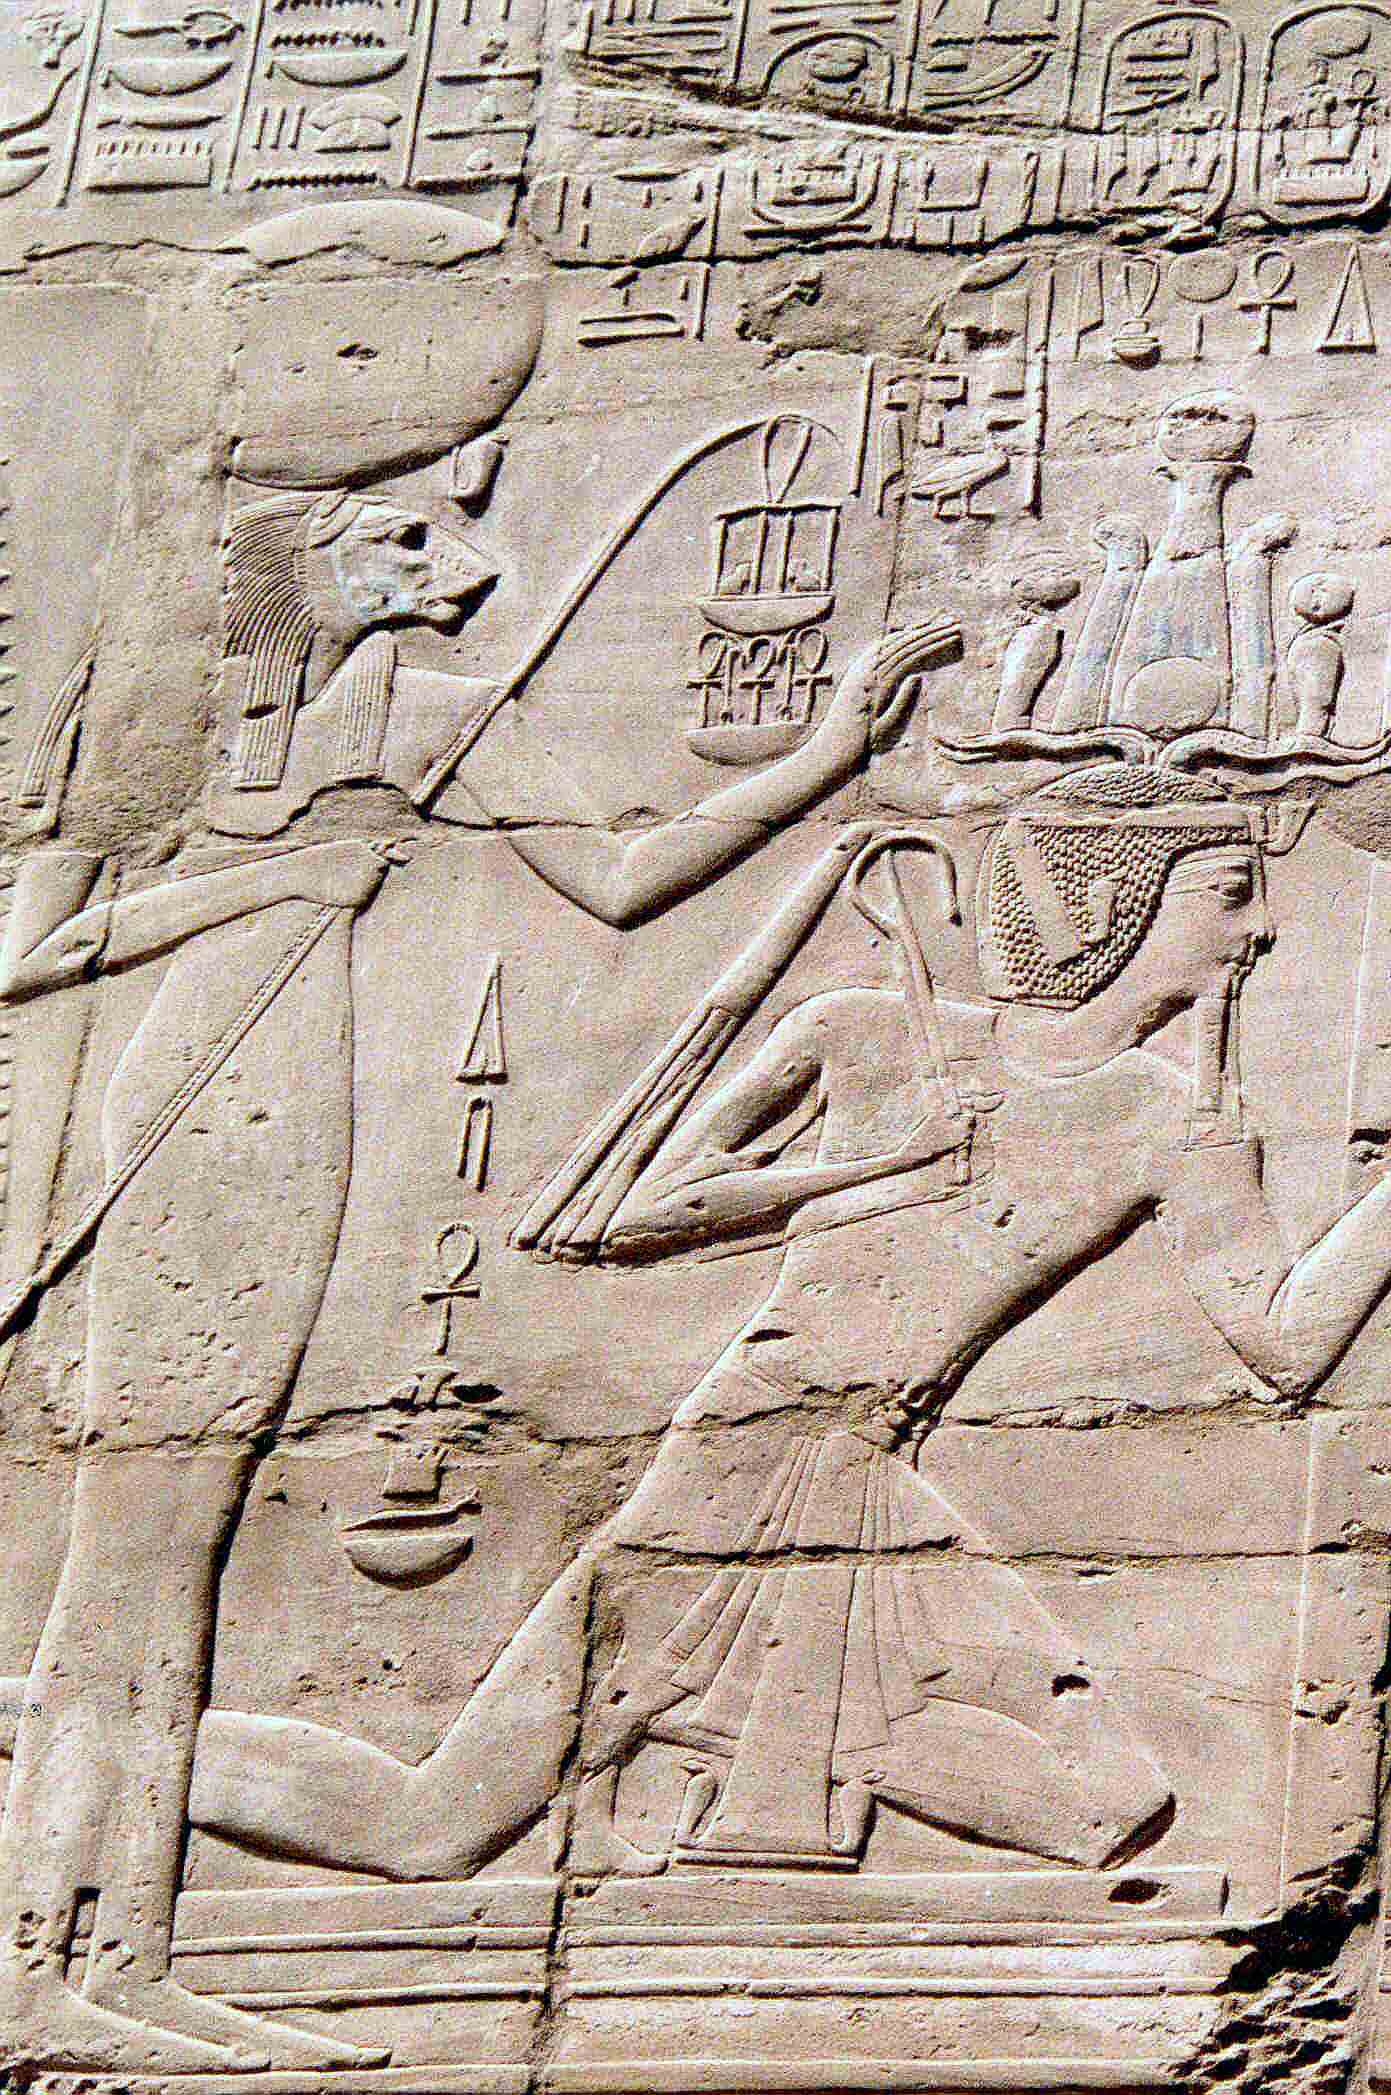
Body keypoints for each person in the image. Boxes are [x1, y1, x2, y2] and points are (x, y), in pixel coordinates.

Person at [38, 765, 1391, 1899]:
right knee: (430, 1826)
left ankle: (741, 1743)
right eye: (1229, 896)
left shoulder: (1173, 1121)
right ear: (1117, 906)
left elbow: (1285, 1346)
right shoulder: (868, 1033)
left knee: (1113, 1803)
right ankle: (54, 1735)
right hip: (738, 1470)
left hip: (873, 1488)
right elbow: (604, 1214)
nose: (1253, 935)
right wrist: (870, 1165)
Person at [0, 470, 961, 2071]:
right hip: (184, 1114)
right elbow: (29, 954)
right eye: (399, 538)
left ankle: (126, 1951)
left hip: (298, 1121)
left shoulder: (432, 713)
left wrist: (829, 753)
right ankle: (41, 1962)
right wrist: (277, 878)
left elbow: (627, 873)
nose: (462, 566)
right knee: (128, 1561)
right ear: (294, 562)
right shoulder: (163, 728)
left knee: (181, 1563)